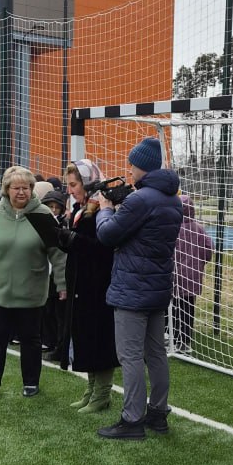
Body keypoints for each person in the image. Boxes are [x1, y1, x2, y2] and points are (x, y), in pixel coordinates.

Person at [92, 136, 183, 439]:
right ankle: (158, 413)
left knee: (130, 356)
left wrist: (106, 209)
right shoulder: (172, 199)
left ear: (141, 166)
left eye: (131, 164)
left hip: (132, 289)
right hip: (157, 288)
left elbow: (108, 235)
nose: (129, 170)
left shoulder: (140, 200)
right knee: (156, 354)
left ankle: (132, 419)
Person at [0, 166, 61, 401]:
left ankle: (31, 382)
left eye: (26, 188)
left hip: (31, 292)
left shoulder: (43, 215)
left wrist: (62, 284)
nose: (21, 192)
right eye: (16, 188)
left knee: (31, 339)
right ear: (6, 189)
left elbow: (58, 254)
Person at [57, 160, 119, 413]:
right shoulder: (80, 209)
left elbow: (103, 248)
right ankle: (91, 389)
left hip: (98, 285)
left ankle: (102, 393)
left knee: (99, 338)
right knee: (85, 335)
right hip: (81, 283)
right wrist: (63, 238)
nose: (70, 190)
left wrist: (73, 239)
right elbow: (79, 246)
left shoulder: (105, 208)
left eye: (73, 184)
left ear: (88, 182)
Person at [172, 193, 213, 354]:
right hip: (193, 277)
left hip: (175, 276)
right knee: (188, 309)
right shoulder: (199, 229)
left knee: (174, 308)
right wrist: (200, 263)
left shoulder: (173, 228)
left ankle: (173, 337)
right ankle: (185, 341)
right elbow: (208, 249)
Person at [38, 187, 68, 362]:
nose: (54, 210)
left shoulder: (63, 224)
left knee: (58, 313)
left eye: (57, 207)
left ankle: (59, 345)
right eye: (51, 206)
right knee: (47, 310)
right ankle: (48, 340)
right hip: (44, 273)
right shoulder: (39, 222)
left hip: (58, 274)